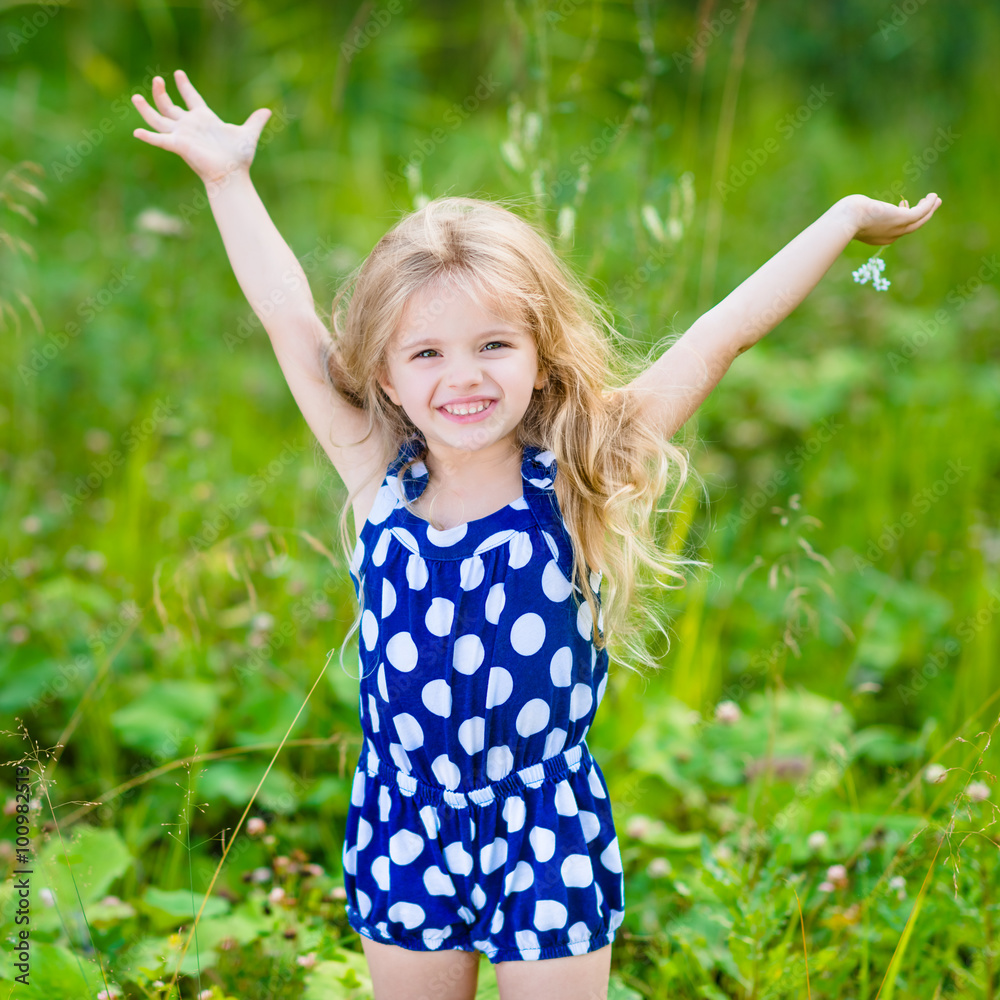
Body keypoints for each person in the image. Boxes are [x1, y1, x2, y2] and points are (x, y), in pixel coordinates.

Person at [132, 70, 941, 1000]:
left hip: (544, 825)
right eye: (426, 353)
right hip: (406, 820)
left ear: (540, 352)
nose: (462, 378)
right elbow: (290, 319)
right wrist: (228, 180)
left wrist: (839, 219)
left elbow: (717, 338)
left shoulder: (580, 466)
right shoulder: (377, 470)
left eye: (493, 346)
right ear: (386, 375)